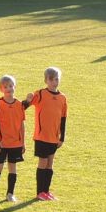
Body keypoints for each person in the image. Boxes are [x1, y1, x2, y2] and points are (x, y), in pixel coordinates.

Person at [24, 67, 68, 201]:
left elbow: (63, 118)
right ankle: (39, 192)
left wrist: (62, 137)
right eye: (52, 79)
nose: (55, 82)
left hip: (54, 138)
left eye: (57, 79)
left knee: (50, 164)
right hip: (41, 136)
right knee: (42, 162)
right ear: (46, 80)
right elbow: (24, 107)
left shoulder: (62, 98)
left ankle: (46, 191)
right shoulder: (40, 94)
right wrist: (27, 100)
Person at [0, 75, 25, 202]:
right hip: (2, 143)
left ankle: (10, 194)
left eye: (10, 86)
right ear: (1, 89)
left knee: (12, 168)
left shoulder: (19, 104)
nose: (8, 89)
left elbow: (22, 125)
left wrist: (23, 143)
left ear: (14, 87)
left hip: (15, 143)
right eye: (5, 87)